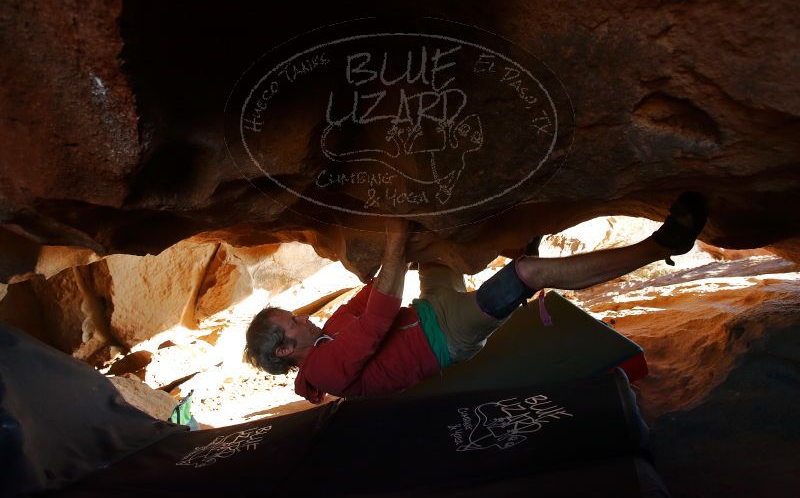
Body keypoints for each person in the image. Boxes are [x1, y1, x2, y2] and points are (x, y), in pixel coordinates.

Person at [245, 192, 707, 403]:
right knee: (525, 274)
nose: (303, 319)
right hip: (448, 334)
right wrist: (394, 236)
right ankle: (664, 245)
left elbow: (370, 296)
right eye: (293, 324)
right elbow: (377, 320)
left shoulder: (328, 334)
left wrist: (408, 244)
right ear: (286, 350)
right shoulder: (323, 370)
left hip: (429, 306)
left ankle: (521, 235)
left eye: (294, 316)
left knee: (438, 244)